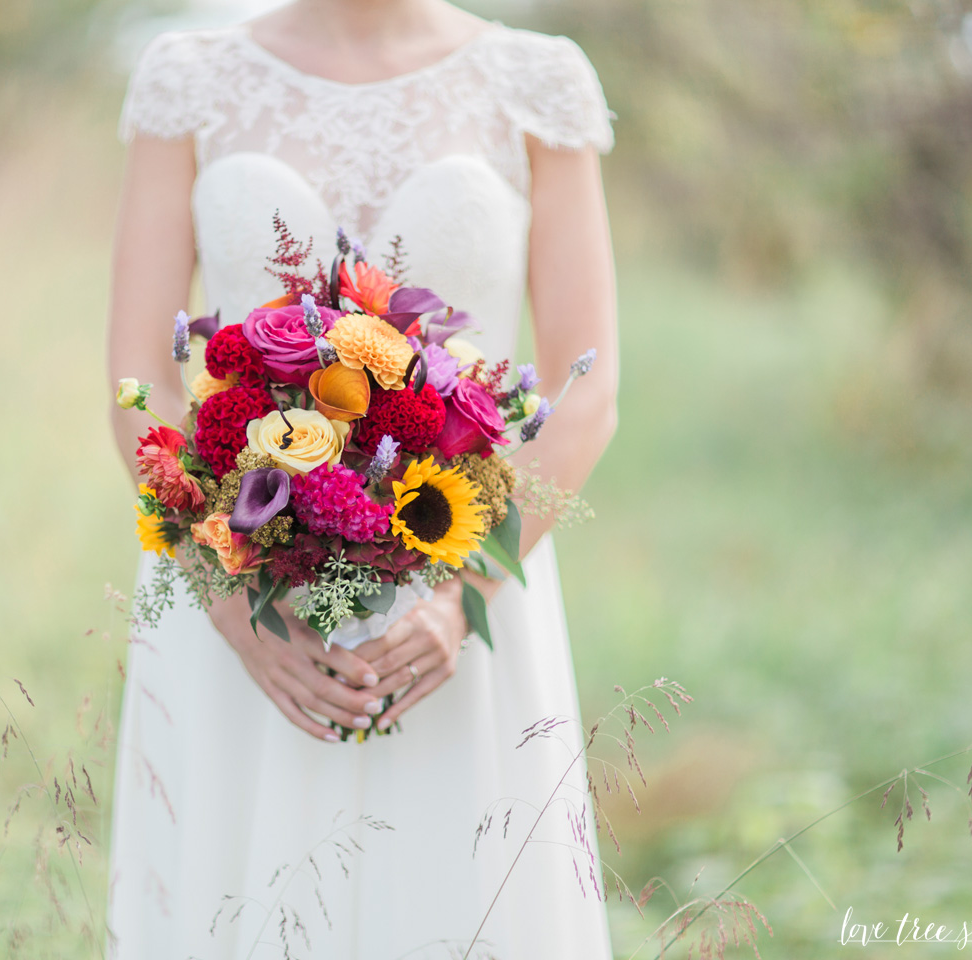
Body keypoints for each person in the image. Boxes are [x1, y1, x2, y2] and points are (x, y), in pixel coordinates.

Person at [104, 0, 619, 955]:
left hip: (463, 591)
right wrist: (232, 607)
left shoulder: (537, 83)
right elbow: (137, 381)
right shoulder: (189, 78)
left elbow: (588, 393)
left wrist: (461, 597)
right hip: (240, 589)